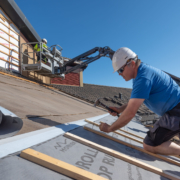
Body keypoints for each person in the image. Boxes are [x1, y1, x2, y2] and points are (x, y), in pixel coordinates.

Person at [99, 47, 180, 156]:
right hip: (176, 110)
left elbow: (130, 113)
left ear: (131, 63)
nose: (119, 74)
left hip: (176, 112)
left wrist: (109, 129)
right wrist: (119, 109)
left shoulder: (143, 78)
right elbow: (136, 100)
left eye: (120, 70)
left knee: (150, 144)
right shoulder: (143, 73)